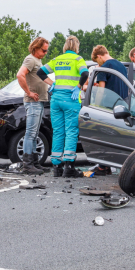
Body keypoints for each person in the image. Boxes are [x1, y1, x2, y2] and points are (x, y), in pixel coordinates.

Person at [39, 35, 89, 178]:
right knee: (71, 131)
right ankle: (69, 167)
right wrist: (78, 86)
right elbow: (85, 73)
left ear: (65, 47)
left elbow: (40, 72)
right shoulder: (77, 59)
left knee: (58, 132)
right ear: (76, 47)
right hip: (70, 99)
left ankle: (56, 167)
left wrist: (51, 83)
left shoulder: (57, 60)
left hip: (55, 99)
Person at [90, 45, 129, 177]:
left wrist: (96, 106)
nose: (97, 64)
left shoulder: (104, 67)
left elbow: (101, 90)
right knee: (119, 136)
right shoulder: (122, 66)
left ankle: (103, 166)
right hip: (122, 106)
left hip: (108, 107)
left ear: (99, 56)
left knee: (103, 136)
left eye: (97, 61)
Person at [16, 36, 50, 175]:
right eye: (43, 50)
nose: (45, 53)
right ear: (36, 48)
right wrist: (29, 92)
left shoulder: (38, 60)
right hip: (33, 102)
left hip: (39, 101)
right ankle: (28, 164)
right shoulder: (30, 59)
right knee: (30, 133)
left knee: (35, 133)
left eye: (47, 51)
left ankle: (34, 162)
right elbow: (20, 75)